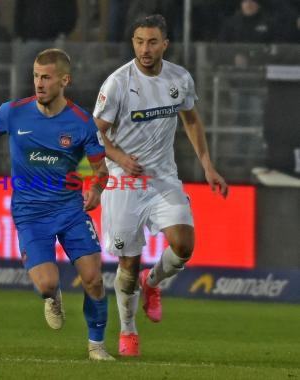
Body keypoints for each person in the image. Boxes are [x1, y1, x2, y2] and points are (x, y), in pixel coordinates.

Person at [0, 48, 114, 361]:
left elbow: (101, 170)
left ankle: (96, 345)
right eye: (35, 76)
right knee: (45, 285)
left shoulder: (82, 123)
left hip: (70, 210)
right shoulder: (14, 112)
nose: (39, 83)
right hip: (30, 215)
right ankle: (52, 296)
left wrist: (96, 190)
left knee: (94, 279)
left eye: (46, 77)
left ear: (64, 80)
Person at [93, 14, 229, 357]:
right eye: (139, 41)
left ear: (164, 44)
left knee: (184, 244)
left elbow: (192, 120)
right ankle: (128, 331)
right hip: (124, 182)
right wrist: (118, 158)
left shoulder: (179, 78)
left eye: (152, 42)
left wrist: (208, 166)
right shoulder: (117, 83)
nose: (145, 48)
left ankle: (152, 284)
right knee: (128, 262)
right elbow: (94, 133)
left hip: (163, 177)